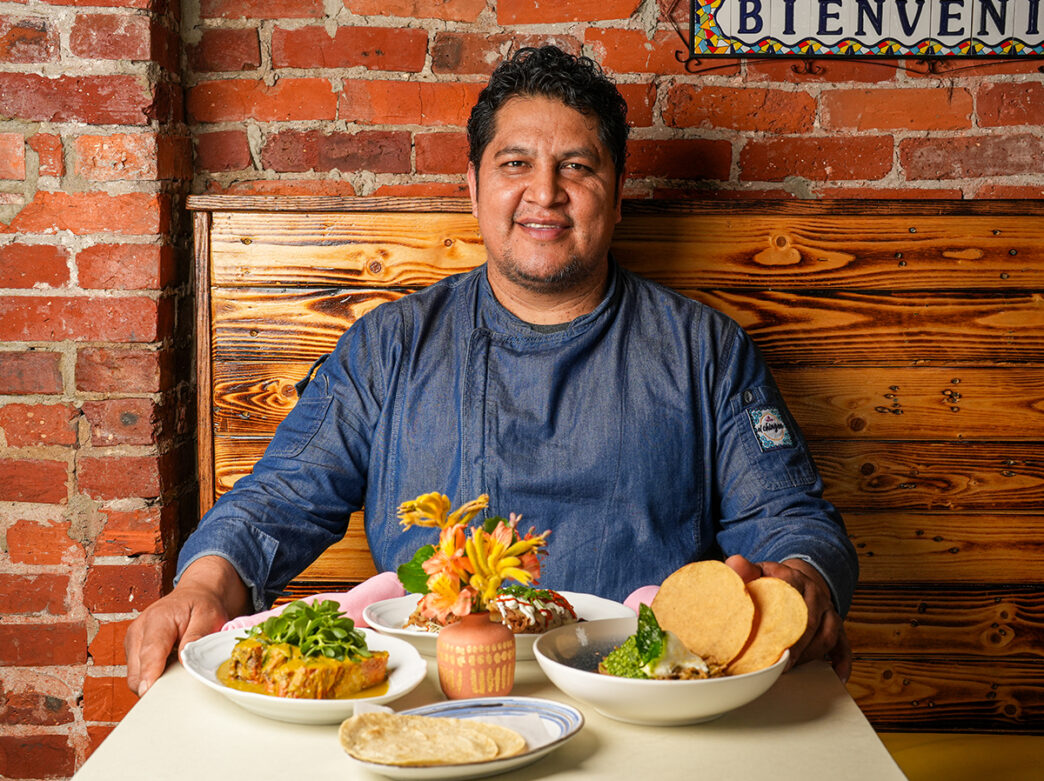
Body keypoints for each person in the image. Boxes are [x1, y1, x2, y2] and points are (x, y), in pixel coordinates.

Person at [125, 45, 858, 696]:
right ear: (473, 187)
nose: (545, 192)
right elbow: (283, 492)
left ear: (617, 191)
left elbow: (791, 519)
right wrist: (204, 581)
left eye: (577, 165)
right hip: (432, 700)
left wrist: (801, 580)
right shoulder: (390, 344)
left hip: (645, 697)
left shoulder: (707, 348)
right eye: (516, 164)